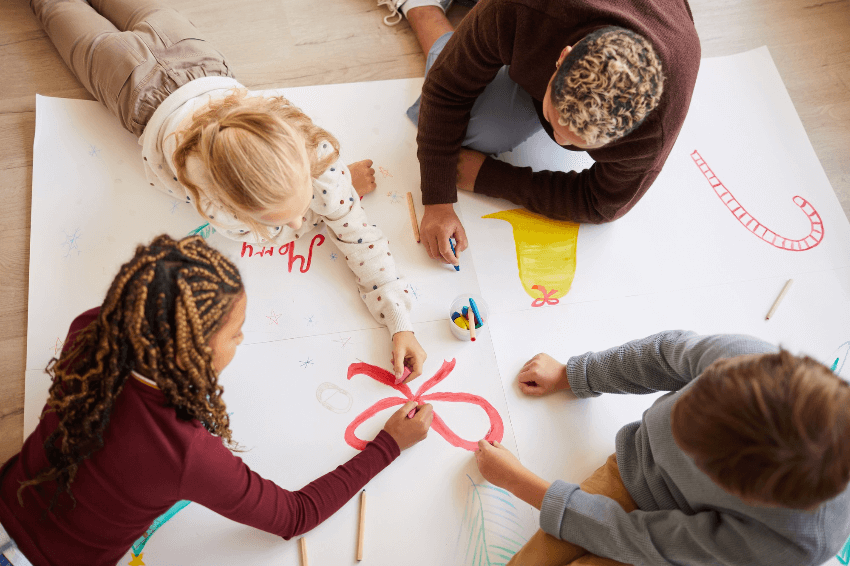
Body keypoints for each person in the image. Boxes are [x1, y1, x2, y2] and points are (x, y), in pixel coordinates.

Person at [29, 0, 426, 382]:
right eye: (284, 220)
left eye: (305, 201)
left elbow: (361, 238)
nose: (300, 222)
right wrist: (336, 204)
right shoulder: (215, 202)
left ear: (306, 155)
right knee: (54, 8)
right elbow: (303, 231)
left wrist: (400, 322)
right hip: (129, 83)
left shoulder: (314, 156)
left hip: (190, 52)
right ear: (231, 204)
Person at [0, 235, 434, 566]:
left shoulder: (92, 329)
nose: (243, 339)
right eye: (236, 332)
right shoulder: (184, 454)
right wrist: (388, 444)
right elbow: (295, 516)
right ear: (192, 350)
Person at [474, 331, 850, 565]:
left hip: (682, 550)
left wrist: (521, 484)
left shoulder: (796, 541)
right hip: (636, 475)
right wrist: (576, 375)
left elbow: (645, 542)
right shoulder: (747, 362)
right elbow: (661, 356)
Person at [376, 0, 700, 267]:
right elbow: (447, 89)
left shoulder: (655, 123)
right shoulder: (521, 9)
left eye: (577, 141)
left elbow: (601, 204)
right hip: (539, 13)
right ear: (561, 58)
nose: (558, 141)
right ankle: (422, 6)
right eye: (553, 118)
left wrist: (490, 177)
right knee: (463, 125)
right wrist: (437, 200)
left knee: (481, 133)